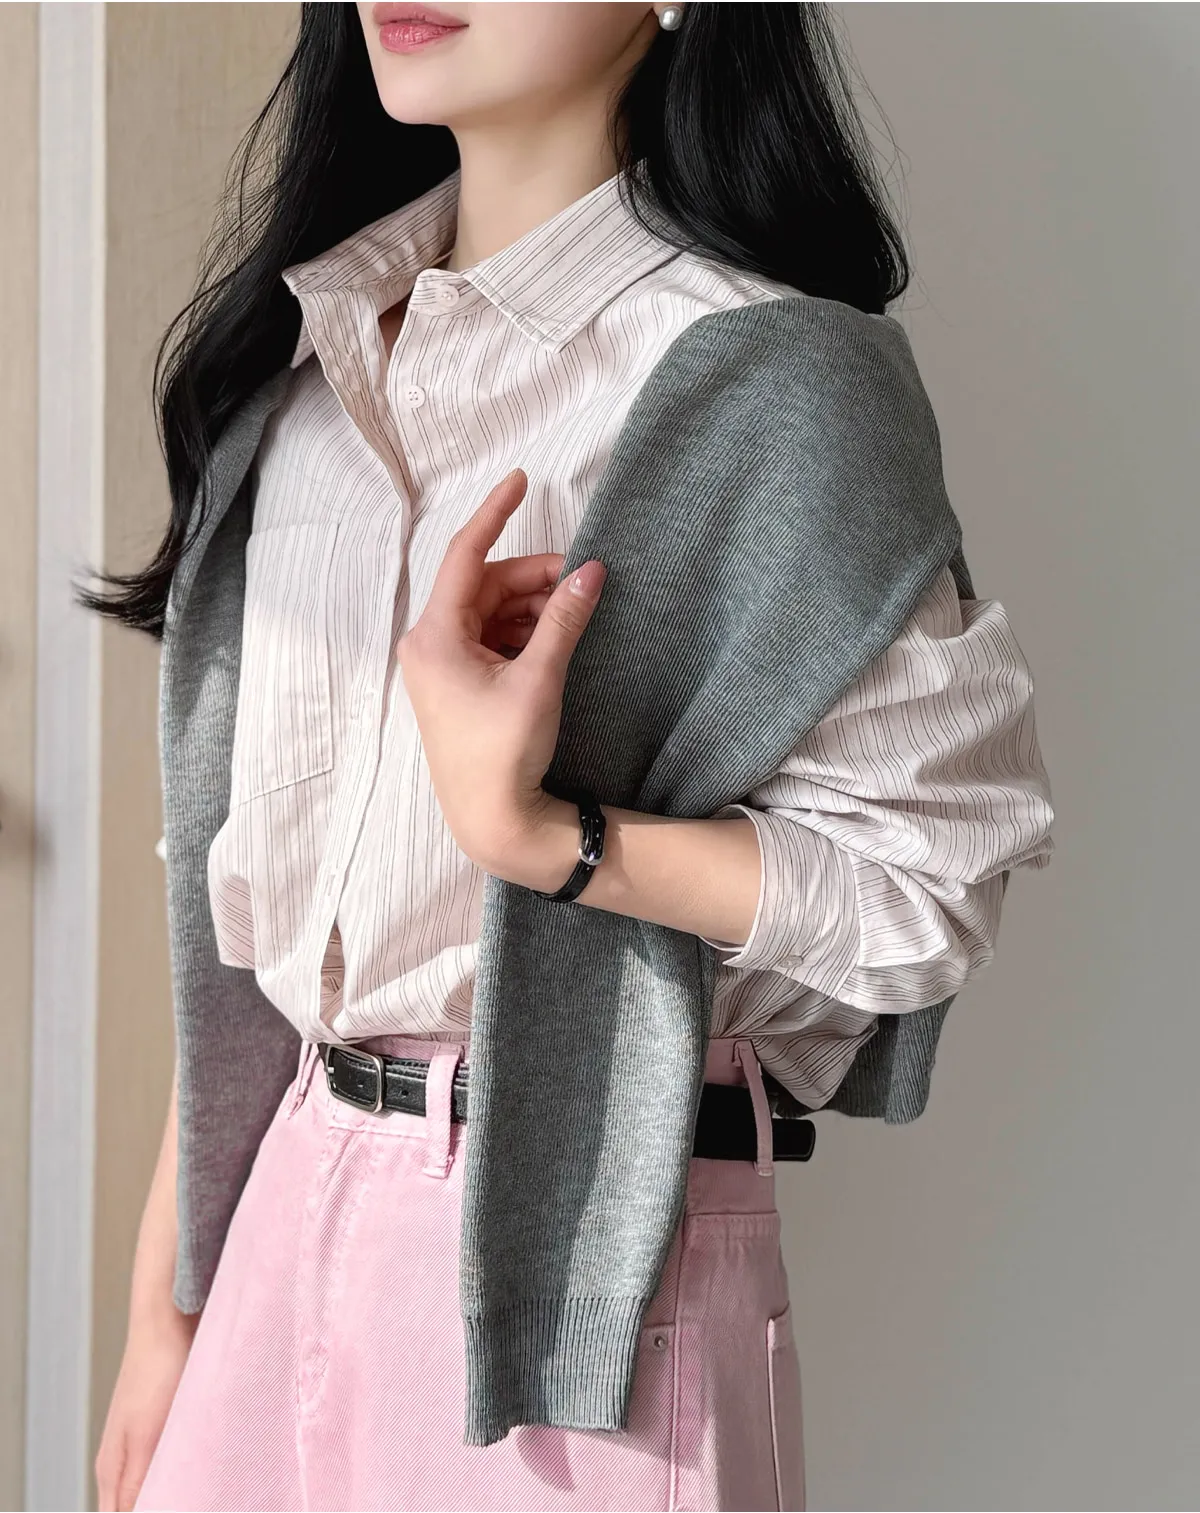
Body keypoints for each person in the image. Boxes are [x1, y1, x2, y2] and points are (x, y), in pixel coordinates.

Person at [83, 4, 1055, 1510]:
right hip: (280, 1220)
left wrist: (547, 838)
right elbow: (248, 924)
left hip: (584, 1274)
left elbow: (921, 894)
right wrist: (171, 1314)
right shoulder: (301, 384)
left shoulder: (766, 382)